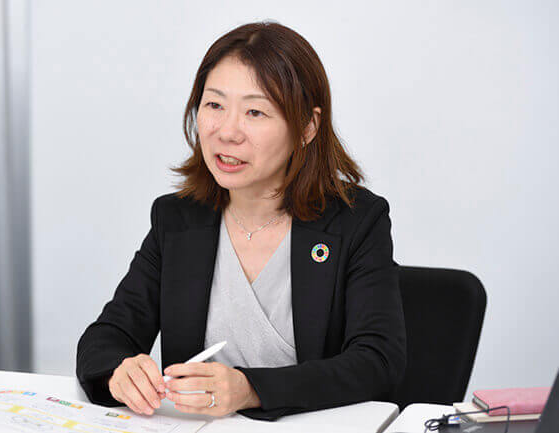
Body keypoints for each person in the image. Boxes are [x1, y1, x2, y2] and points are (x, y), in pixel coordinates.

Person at [76, 21, 406, 422]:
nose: (227, 132)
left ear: (307, 127)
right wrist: (119, 372)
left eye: (255, 111)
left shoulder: (356, 221)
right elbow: (106, 336)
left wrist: (250, 390)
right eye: (215, 105)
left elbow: (377, 361)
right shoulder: (176, 219)